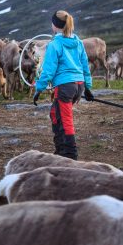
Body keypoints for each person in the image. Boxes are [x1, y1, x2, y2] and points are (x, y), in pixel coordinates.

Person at [33, 10, 93, 160]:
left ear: (55, 25)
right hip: (78, 86)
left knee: (65, 120)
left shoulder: (55, 44)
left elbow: (48, 70)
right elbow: (85, 64)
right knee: (55, 114)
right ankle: (60, 151)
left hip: (65, 86)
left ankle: (70, 156)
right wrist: (88, 87)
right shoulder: (78, 42)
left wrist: (39, 88)